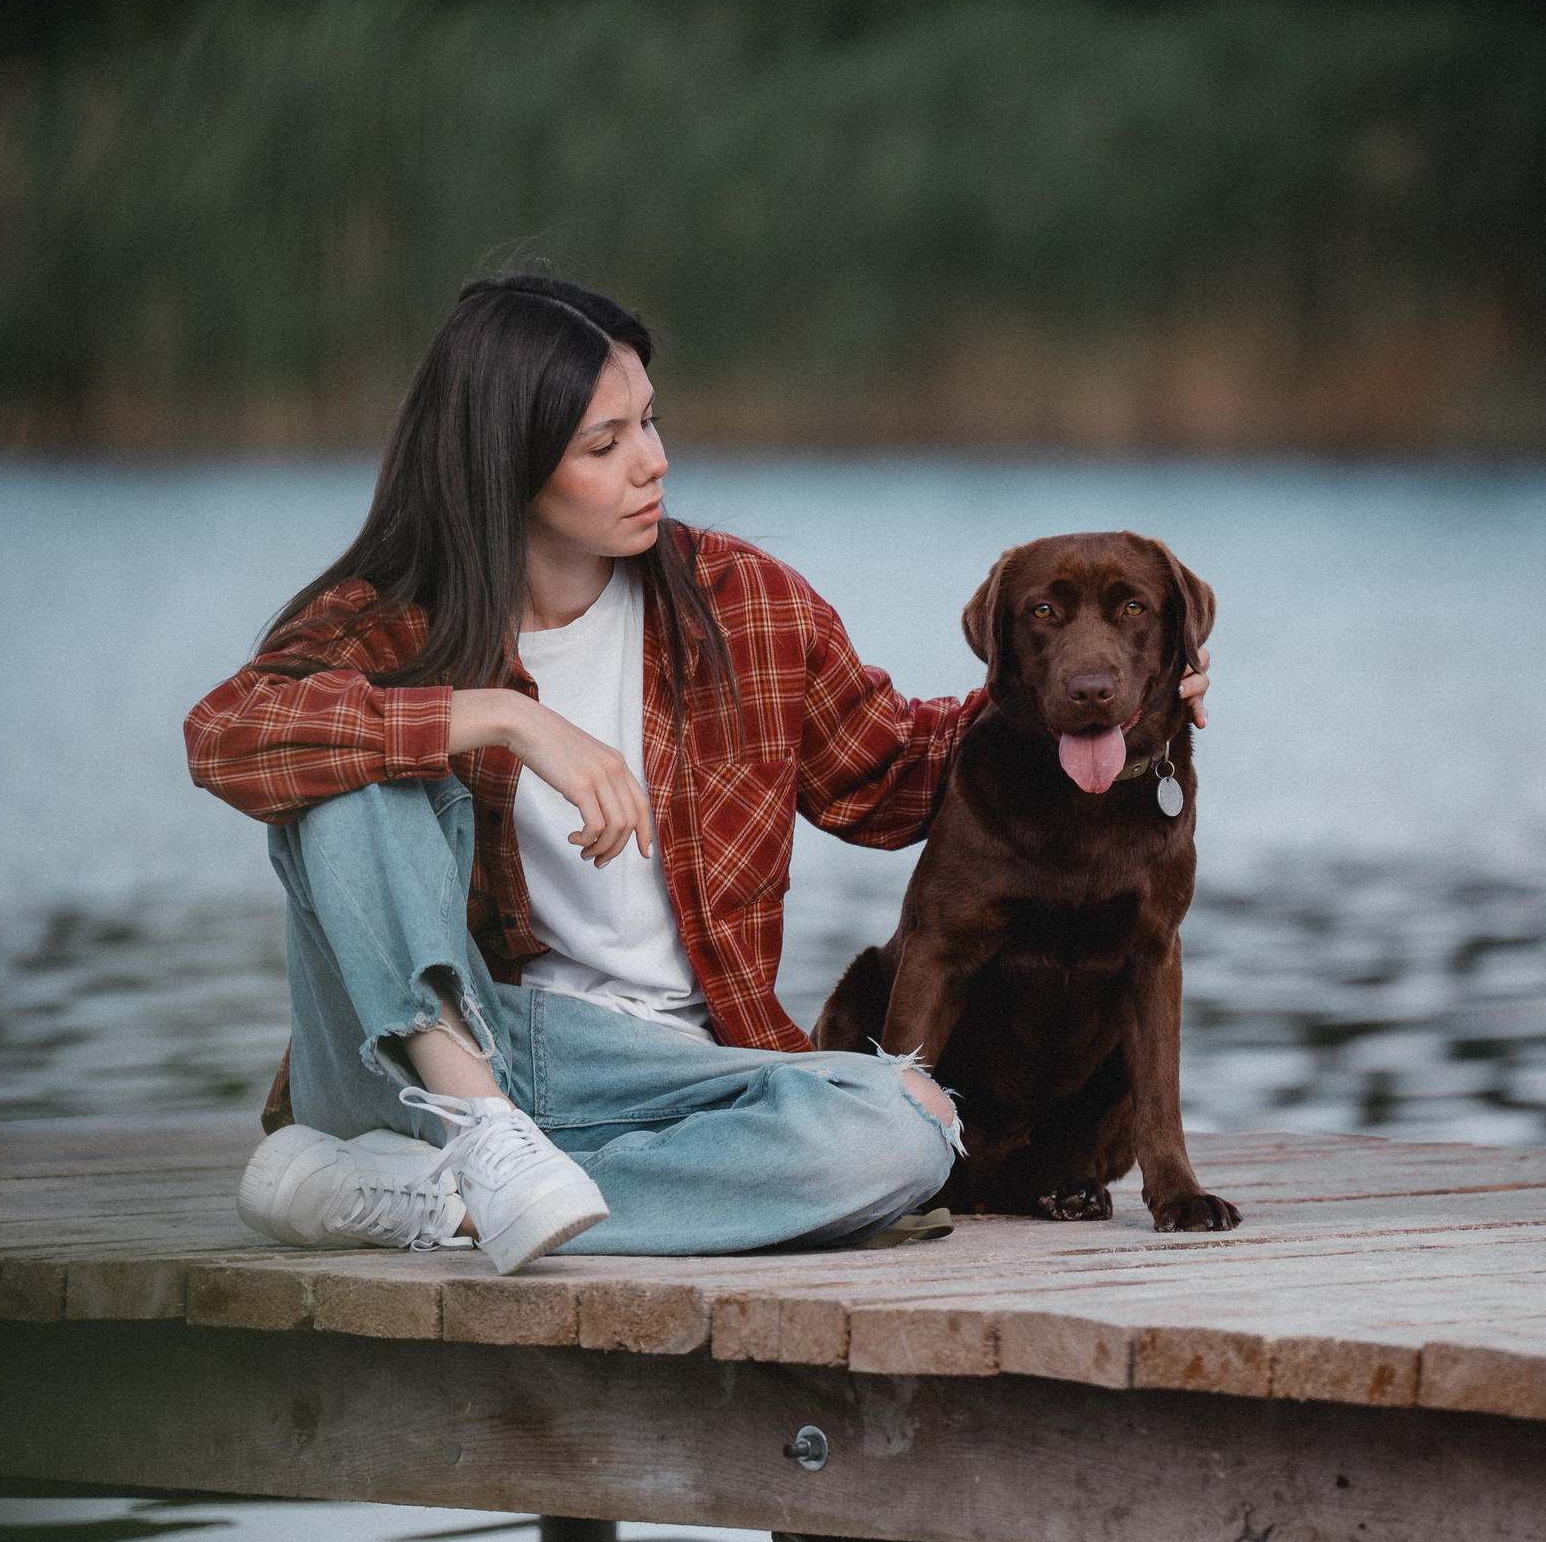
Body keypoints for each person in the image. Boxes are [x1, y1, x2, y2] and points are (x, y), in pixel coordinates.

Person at [185, 270, 1208, 1273]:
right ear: (509, 461)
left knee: (909, 1129)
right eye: (607, 441)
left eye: (650, 422)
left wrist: (1115, 707)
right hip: (426, 1050)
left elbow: (897, 767)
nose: (654, 462)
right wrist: (495, 716)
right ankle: (485, 1137)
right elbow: (230, 733)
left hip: (670, 1069)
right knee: (347, 760)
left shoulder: (743, 606)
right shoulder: (386, 623)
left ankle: (438, 1197)